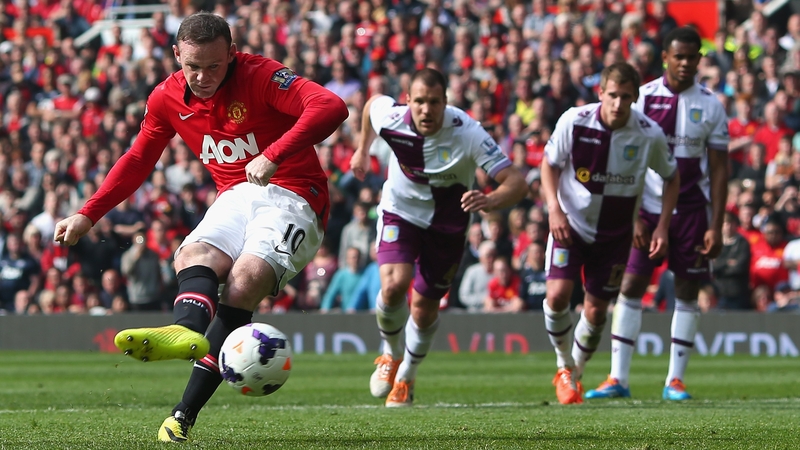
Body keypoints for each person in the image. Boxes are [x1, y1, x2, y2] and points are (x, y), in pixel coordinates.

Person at [52, 12, 348, 443]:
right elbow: (138, 159)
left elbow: (331, 106)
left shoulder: (261, 74)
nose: (203, 77)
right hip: (233, 195)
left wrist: (275, 153)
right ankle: (186, 331)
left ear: (231, 54)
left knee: (244, 281)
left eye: (214, 66)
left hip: (295, 195)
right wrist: (88, 213)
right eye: (192, 66)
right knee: (192, 255)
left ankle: (183, 413)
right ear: (176, 55)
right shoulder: (166, 97)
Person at [350, 68, 527, 407]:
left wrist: (490, 200)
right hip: (400, 212)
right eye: (419, 101)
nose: (426, 110)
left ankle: (407, 376)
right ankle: (390, 355)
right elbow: (372, 103)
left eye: (434, 102)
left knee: (424, 308)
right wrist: (362, 149)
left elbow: (516, 182)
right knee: (393, 285)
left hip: (447, 224)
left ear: (446, 102)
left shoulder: (468, 132)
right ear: (408, 101)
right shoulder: (392, 120)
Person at [586, 28, 729, 402]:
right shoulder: (643, 98)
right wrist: (631, 215)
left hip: (693, 211)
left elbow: (718, 170)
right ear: (666, 56)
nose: (685, 63)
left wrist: (717, 224)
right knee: (630, 285)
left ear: (699, 59)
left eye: (692, 57)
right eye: (678, 56)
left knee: (686, 289)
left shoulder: (712, 105)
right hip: (644, 208)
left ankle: (675, 380)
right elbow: (621, 155)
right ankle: (618, 377)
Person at [540, 61, 680, 405]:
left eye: (626, 97)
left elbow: (671, 177)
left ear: (635, 98)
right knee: (557, 296)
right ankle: (563, 366)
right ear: (600, 93)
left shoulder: (648, 133)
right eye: (612, 95)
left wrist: (662, 224)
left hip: (615, 237)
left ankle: (576, 370)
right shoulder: (574, 120)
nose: (618, 104)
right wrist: (554, 209)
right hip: (570, 225)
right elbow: (549, 164)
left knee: (596, 312)